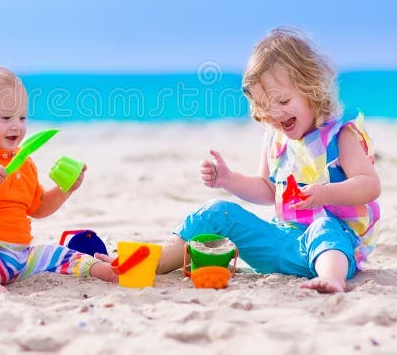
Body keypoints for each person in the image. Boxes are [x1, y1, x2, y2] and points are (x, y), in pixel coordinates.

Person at [156, 28, 381, 293]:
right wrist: (229, 180)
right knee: (216, 211)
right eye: (265, 106)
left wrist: (324, 194)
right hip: (280, 242)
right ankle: (154, 263)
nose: (275, 113)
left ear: (312, 89)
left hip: (333, 245)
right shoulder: (275, 139)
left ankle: (331, 280)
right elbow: (268, 191)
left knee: (324, 226)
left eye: (283, 100)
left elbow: (370, 185)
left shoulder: (338, 136)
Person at [0, 65, 117, 292]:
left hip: (17, 258)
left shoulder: (23, 161)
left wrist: (64, 190)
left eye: (22, 117)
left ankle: (104, 271)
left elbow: (38, 206)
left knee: (57, 253)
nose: (17, 126)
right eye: (5, 117)